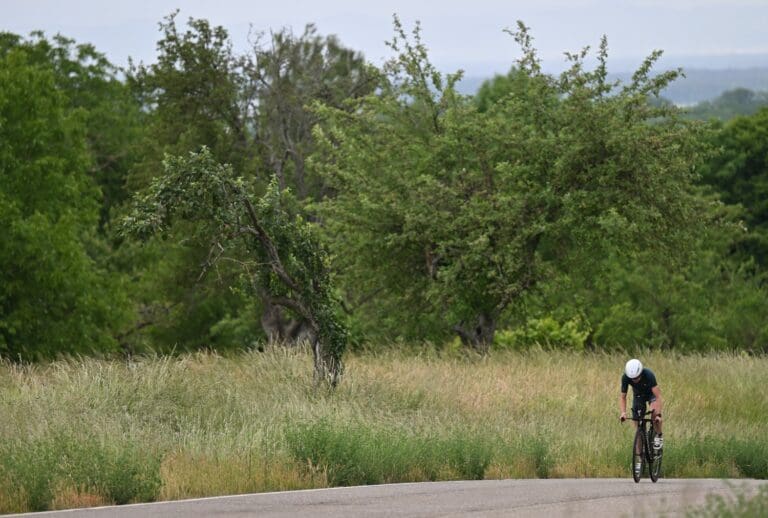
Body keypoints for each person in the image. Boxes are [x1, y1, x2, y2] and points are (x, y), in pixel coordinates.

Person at [619, 358, 663, 455]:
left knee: (654, 413)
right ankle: (639, 458)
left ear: (641, 372)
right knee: (637, 424)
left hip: (651, 394)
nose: (635, 380)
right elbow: (623, 397)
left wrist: (658, 415)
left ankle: (658, 436)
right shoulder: (625, 377)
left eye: (637, 377)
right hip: (638, 395)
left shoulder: (649, 375)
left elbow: (658, 396)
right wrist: (623, 413)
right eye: (632, 378)